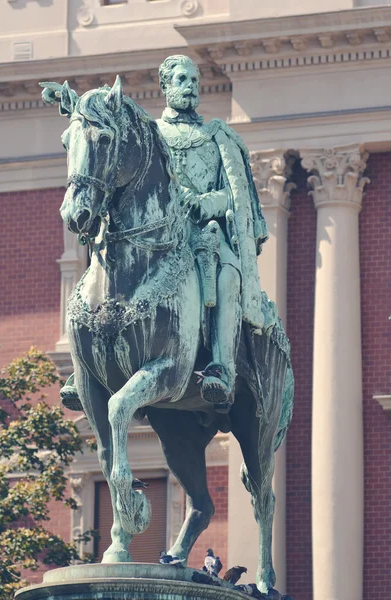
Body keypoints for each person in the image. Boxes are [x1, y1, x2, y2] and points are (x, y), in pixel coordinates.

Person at [156, 55, 270, 412]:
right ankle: (93, 353)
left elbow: (233, 191)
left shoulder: (216, 136)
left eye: (194, 80)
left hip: (205, 236)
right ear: (164, 86)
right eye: (181, 80)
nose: (190, 86)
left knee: (228, 278)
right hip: (158, 235)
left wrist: (206, 204)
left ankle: (221, 366)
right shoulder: (151, 135)